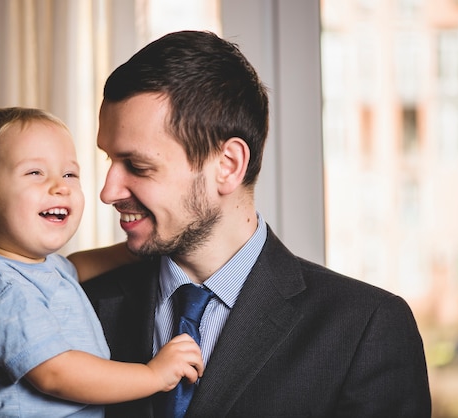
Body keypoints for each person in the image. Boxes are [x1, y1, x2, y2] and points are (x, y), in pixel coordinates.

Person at [74, 30, 432, 417]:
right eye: (109, 161)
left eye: (138, 166)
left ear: (227, 166)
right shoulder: (78, 304)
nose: (108, 192)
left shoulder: (365, 329)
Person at [0, 107, 204, 418]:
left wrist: (132, 249)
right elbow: (56, 374)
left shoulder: (34, 267)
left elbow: (73, 267)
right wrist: (153, 375)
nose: (60, 186)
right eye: (35, 173)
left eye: (69, 174)